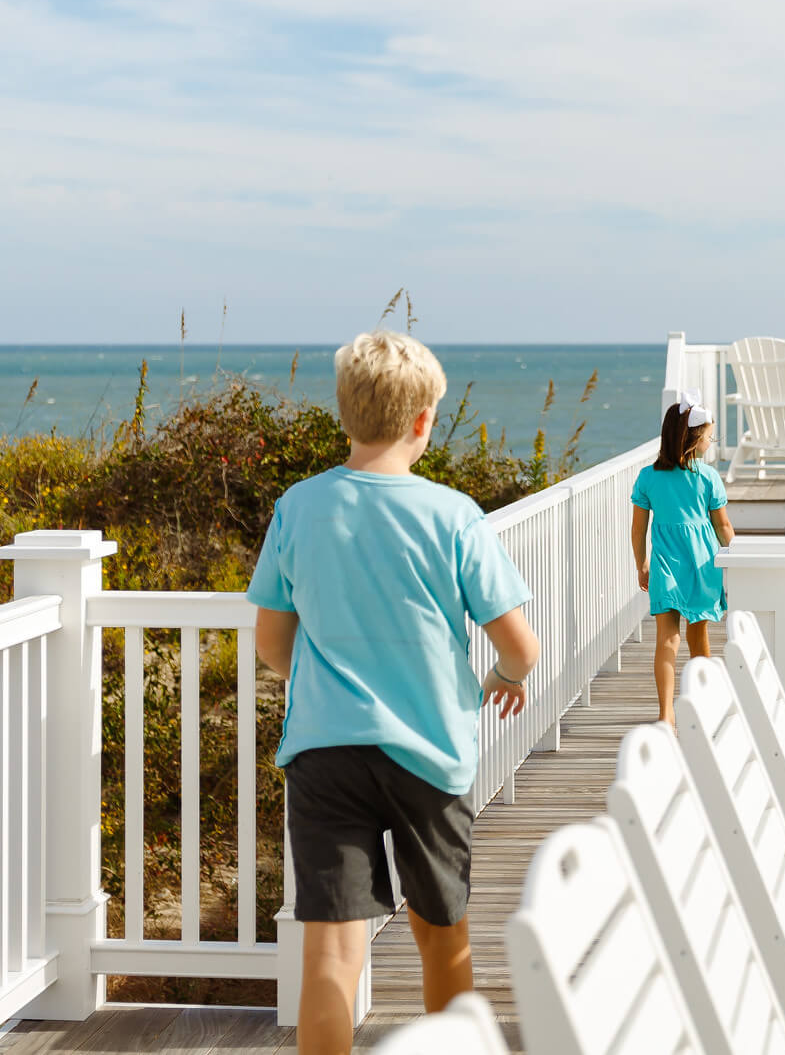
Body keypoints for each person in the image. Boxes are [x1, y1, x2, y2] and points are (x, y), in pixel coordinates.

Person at [248, 330, 540, 1055]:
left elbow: (270, 642)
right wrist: (505, 679)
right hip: (429, 752)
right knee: (443, 938)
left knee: (331, 952)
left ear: (344, 413)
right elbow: (520, 645)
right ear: (421, 421)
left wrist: (320, 683)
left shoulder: (299, 507)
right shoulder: (452, 514)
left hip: (324, 749)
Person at [630, 390, 736, 723]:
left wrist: (641, 564)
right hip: (701, 562)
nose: (711, 442)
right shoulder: (707, 477)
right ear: (693, 439)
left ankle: (666, 715)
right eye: (709, 436)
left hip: (665, 564)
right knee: (698, 634)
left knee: (667, 639)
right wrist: (738, 557)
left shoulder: (648, 477)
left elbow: (638, 530)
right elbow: (723, 527)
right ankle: (703, 706)